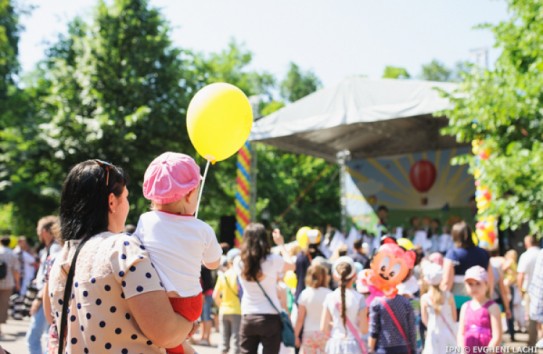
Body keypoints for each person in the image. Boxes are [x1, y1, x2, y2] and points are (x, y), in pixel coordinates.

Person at [47, 159, 195, 353]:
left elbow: (54, 323)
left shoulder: (61, 259)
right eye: (125, 197)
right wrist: (190, 323)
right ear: (111, 201)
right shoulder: (121, 248)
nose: (128, 206)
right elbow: (165, 332)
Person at [134, 152, 223, 353]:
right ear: (190, 194)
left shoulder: (145, 221)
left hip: (153, 300)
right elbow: (213, 263)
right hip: (189, 304)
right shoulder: (202, 229)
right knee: (174, 345)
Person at [234, 223, 295, 354]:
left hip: (248, 315)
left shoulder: (238, 262)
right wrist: (281, 244)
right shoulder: (273, 260)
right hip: (270, 318)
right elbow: (292, 266)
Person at [26, 215, 62, 354]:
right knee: (49, 337)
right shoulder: (52, 248)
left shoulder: (55, 249)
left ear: (46, 231)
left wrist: (39, 299)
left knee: (33, 337)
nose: (38, 233)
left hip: (46, 297)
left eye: (39, 230)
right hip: (47, 296)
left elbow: (51, 278)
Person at [441, 221, 493, 312]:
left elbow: (447, 282)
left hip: (457, 301)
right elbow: (490, 279)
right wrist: (489, 297)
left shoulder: (453, 254)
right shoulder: (484, 253)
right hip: (481, 300)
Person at [321, 256, 368, 354]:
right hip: (353, 345)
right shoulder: (359, 298)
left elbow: (323, 328)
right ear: (354, 275)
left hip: (334, 344)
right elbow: (364, 329)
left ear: (335, 276)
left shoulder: (329, 297)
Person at [457, 265, 502, 352]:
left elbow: (497, 336)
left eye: (478, 283)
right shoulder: (465, 306)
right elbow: (461, 333)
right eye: (470, 284)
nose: (474, 287)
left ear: (486, 284)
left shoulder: (492, 307)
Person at [294, 264, 331, 353]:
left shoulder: (304, 294)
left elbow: (300, 319)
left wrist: (295, 336)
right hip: (326, 332)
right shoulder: (329, 294)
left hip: (309, 332)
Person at [420, 263, 456, 354]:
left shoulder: (425, 298)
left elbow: (424, 320)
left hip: (433, 333)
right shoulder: (449, 295)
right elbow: (454, 317)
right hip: (449, 333)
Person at [213, 248, 242, 354]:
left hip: (224, 311)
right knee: (236, 342)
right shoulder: (240, 276)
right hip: (237, 311)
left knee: (224, 343)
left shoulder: (223, 276)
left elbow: (215, 295)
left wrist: (221, 305)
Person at [517, 234, 540, 346]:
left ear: (527, 243)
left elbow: (520, 275)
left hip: (530, 291)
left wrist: (520, 290)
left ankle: (532, 343)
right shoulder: (541, 253)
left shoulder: (526, 256)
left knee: (531, 317)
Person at [0, 236, 20, 336]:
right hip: (8, 282)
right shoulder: (13, 254)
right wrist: (17, 283)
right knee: (3, 304)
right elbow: (16, 270)